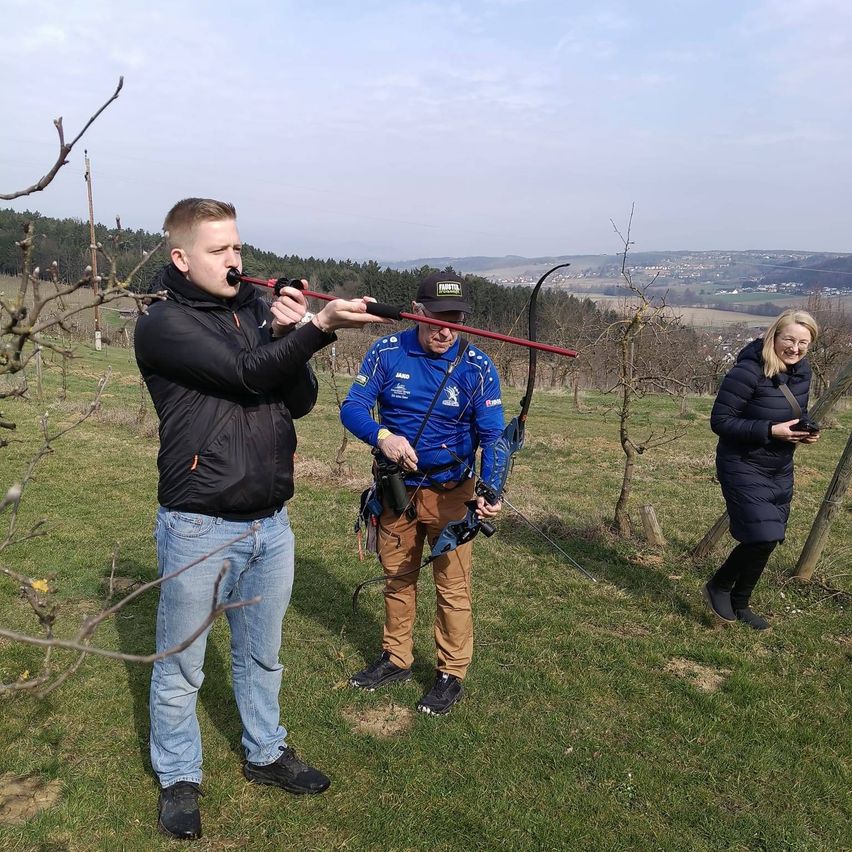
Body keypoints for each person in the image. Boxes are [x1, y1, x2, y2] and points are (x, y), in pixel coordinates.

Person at [134, 198, 388, 840]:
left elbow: (297, 398)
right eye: (219, 250)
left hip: (270, 524)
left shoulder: (251, 309)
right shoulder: (163, 324)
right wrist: (317, 328)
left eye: (239, 248)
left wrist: (286, 333)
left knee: (261, 656)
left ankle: (266, 754)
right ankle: (179, 777)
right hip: (199, 523)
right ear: (181, 257)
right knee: (181, 662)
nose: (235, 260)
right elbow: (248, 376)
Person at [340, 271, 505, 716]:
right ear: (417, 312)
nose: (446, 329)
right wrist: (383, 437)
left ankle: (451, 673)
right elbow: (352, 407)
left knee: (452, 587)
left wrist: (492, 489)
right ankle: (396, 657)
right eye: (436, 318)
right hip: (397, 491)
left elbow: (494, 436)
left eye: (456, 319)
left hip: (453, 494)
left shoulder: (478, 366)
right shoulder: (386, 352)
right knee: (398, 577)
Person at [702, 309, 820, 631]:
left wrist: (803, 430)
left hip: (778, 466)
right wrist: (771, 430)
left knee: (771, 537)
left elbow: (794, 410)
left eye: (803, 343)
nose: (795, 349)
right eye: (789, 340)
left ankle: (741, 603)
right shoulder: (748, 371)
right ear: (774, 336)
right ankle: (719, 586)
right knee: (762, 534)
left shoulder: (802, 372)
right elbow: (721, 422)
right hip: (742, 463)